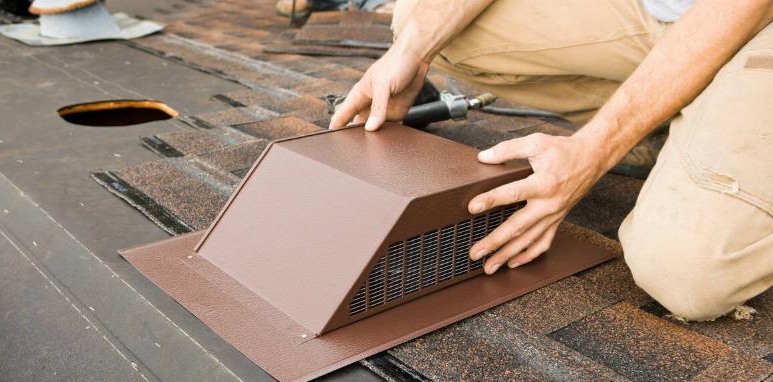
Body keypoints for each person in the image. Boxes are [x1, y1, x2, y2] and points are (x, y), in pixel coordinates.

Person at [330, 0, 773, 322]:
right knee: (421, 19)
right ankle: (662, 127)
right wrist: (409, 52)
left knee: (688, 273)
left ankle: (696, 120)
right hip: (660, 10)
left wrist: (594, 151)